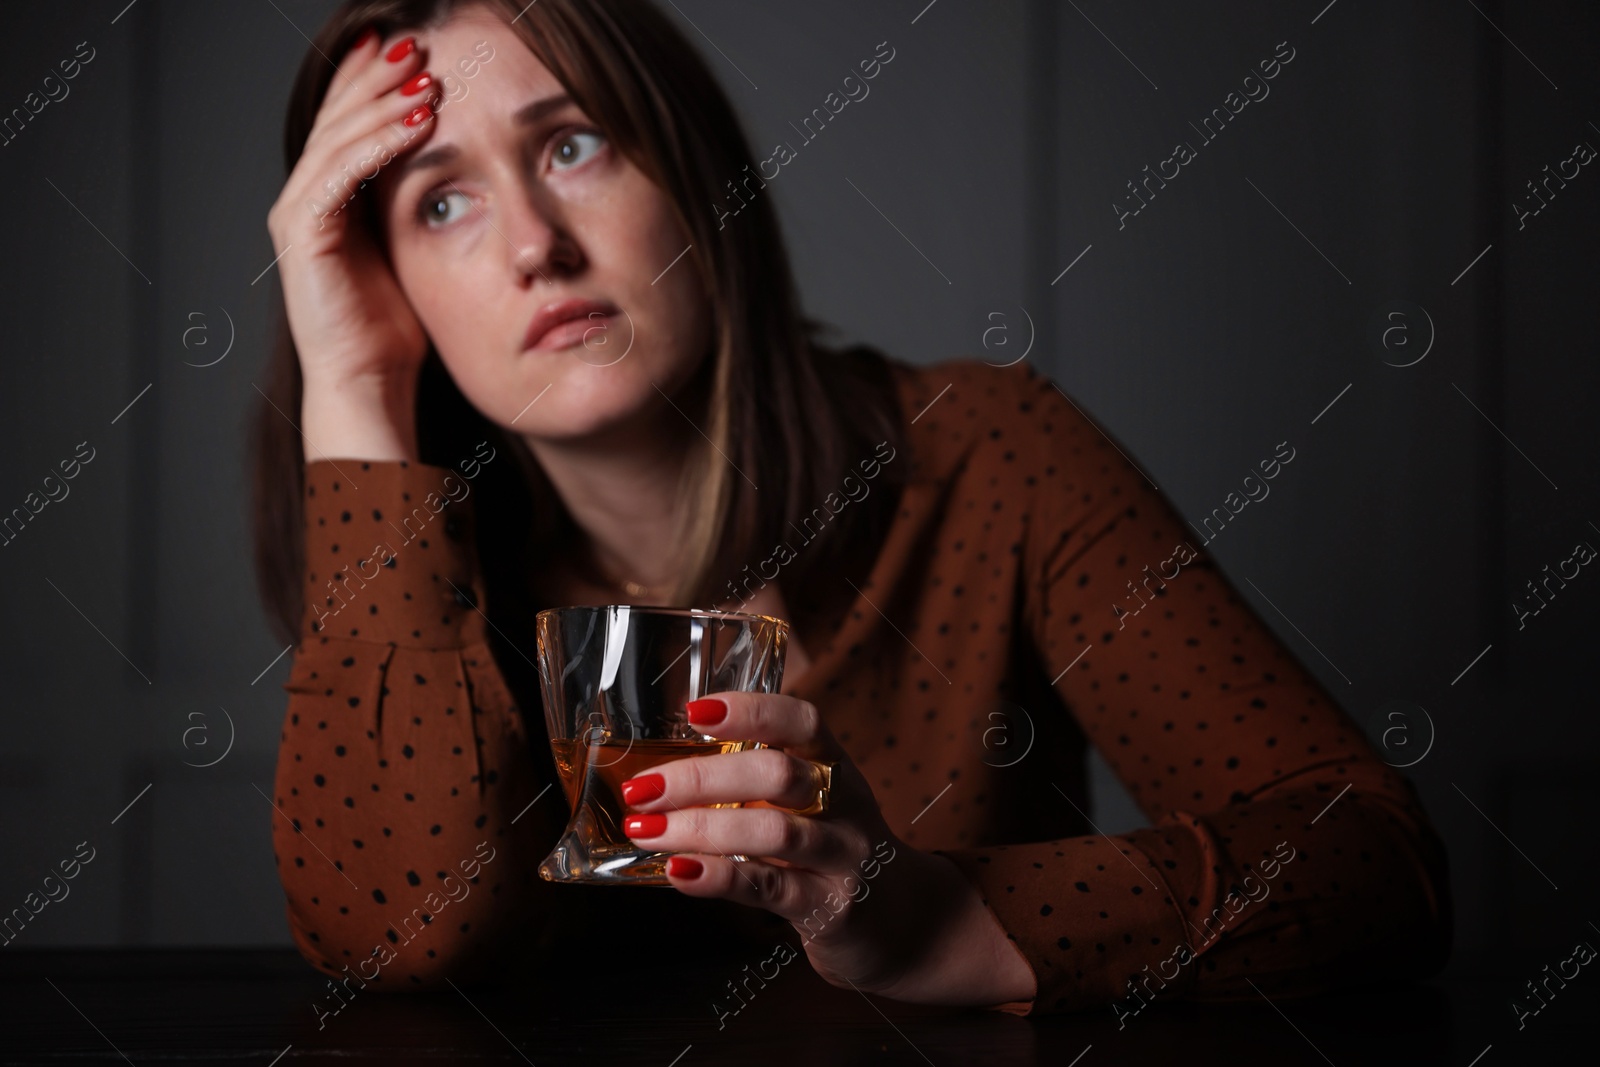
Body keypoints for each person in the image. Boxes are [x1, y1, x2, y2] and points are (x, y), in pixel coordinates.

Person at [252, 0, 1452, 1019]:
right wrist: (353, 386)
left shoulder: (984, 455)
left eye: (572, 145)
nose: (534, 245)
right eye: (439, 205)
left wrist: (938, 921)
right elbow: (394, 941)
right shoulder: (430, 580)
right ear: (385, 283)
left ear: (688, 168)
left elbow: (1374, 862)